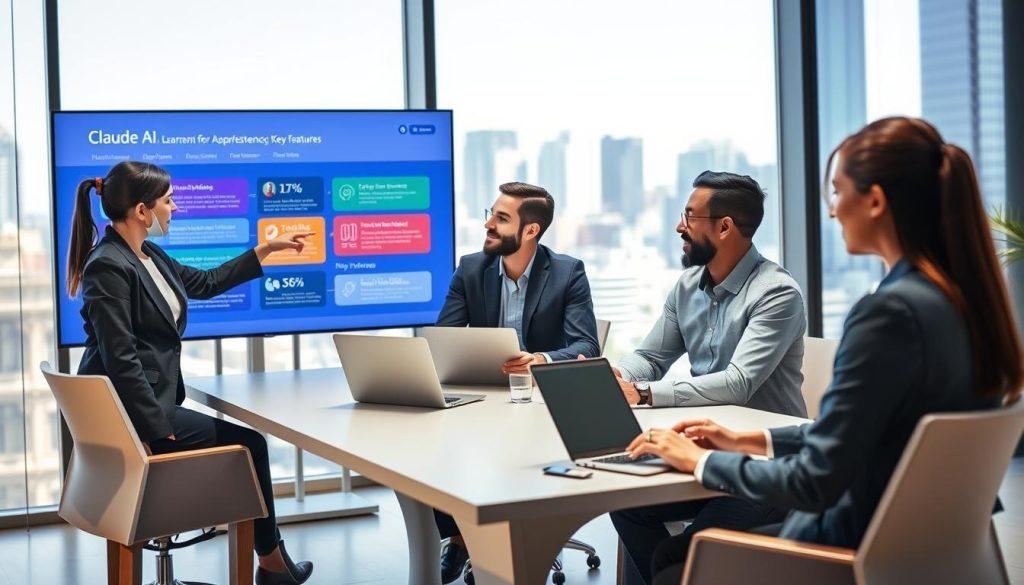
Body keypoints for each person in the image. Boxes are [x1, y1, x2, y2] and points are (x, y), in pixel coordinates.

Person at [622, 117, 1024, 585]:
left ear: (874, 201)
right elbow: (861, 433)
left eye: (837, 192)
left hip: (845, 551)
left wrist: (702, 461)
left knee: (676, 566)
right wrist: (751, 439)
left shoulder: (889, 314)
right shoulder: (958, 302)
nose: (832, 211)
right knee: (665, 547)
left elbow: (815, 480)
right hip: (916, 548)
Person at [69, 161, 317, 585]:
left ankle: (271, 560)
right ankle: (271, 561)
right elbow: (120, 359)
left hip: (148, 407)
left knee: (248, 444)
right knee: (251, 445)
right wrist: (156, 429)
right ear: (142, 211)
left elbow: (202, 282)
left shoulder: (147, 254)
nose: (176, 208)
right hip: (133, 419)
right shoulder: (107, 265)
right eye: (168, 201)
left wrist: (265, 250)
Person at [608, 171, 807, 583]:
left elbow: (737, 383)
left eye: (688, 216)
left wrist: (643, 393)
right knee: (624, 504)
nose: (679, 226)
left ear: (724, 227)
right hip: (705, 449)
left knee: (678, 555)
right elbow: (651, 356)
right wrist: (618, 375)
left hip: (764, 466)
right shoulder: (687, 286)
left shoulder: (776, 293)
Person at [434, 181, 600, 583]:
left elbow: (587, 346)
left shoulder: (566, 272)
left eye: (501, 218)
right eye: (490, 214)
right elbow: (444, 340)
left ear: (531, 231)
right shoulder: (471, 267)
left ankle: (510, 546)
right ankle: (458, 536)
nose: (488, 224)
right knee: (433, 444)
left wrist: (539, 359)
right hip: (484, 400)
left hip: (542, 404)